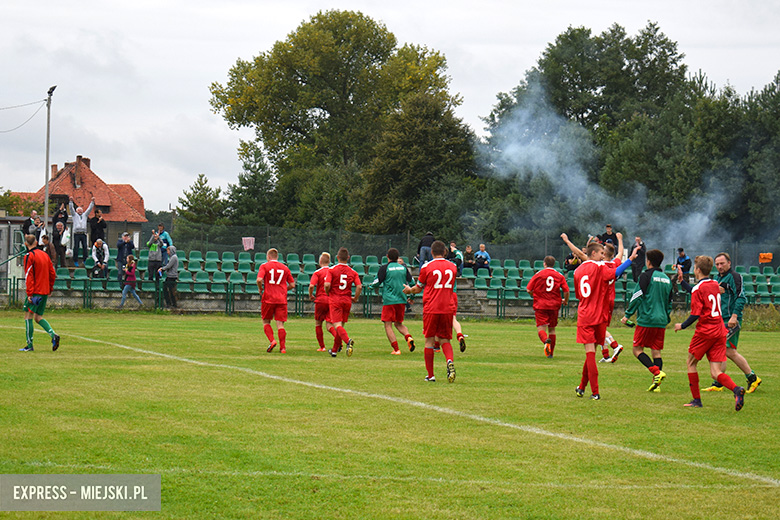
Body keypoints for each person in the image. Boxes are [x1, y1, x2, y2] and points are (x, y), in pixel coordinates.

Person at [674, 255, 746, 410]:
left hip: (706, 332)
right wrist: (682, 282)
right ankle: (736, 390)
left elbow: (696, 313)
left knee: (691, 363)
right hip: (720, 330)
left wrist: (683, 325)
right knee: (715, 372)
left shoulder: (700, 288)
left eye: (694, 268)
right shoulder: (715, 283)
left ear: (698, 270)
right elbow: (697, 290)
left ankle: (696, 400)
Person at [567, 235, 634, 400]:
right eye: (601, 253)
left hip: (585, 314)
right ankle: (582, 387)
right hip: (599, 315)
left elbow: (579, 293)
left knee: (590, 354)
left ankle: (595, 392)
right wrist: (630, 260)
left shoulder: (578, 271)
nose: (603, 256)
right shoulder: (599, 268)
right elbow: (616, 272)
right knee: (592, 353)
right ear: (594, 253)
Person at [701, 252, 761, 393]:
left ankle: (752, 377)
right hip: (721, 320)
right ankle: (719, 382)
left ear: (729, 263)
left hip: (731, 320)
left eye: (722, 263)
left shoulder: (735, 277)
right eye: (717, 264)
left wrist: (734, 316)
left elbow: (741, 297)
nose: (720, 266)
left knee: (728, 350)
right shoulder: (717, 278)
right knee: (721, 349)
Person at [403, 240, 458, 383]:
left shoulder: (427, 267)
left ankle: (431, 375)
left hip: (431, 308)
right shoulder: (453, 267)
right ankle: (449, 361)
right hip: (447, 307)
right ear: (445, 252)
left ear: (431, 252)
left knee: (429, 341)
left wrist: (409, 290)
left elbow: (418, 287)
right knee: (445, 339)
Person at [621, 249, 673, 391]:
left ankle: (656, 373)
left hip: (647, 319)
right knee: (656, 351)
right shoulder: (667, 279)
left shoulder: (646, 276)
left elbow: (637, 296)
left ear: (648, 262)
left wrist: (628, 314)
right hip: (661, 321)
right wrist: (666, 317)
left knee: (637, 350)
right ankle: (657, 385)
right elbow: (670, 302)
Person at [368, 248, 416, 355]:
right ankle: (408, 337)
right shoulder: (403, 268)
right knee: (398, 323)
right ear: (398, 258)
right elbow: (412, 283)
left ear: (387, 257)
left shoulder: (385, 268)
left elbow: (377, 282)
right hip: (401, 300)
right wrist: (411, 297)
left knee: (388, 325)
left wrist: (370, 287)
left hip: (389, 301)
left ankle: (396, 349)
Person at [19, 234, 60, 352]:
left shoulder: (29, 256)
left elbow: (28, 276)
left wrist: (29, 294)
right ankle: (53, 335)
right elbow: (52, 273)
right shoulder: (45, 255)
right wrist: (50, 288)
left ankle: (29, 345)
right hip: (44, 290)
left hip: (35, 291)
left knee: (28, 316)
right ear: (36, 243)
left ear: (26, 244)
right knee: (38, 317)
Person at [526, 255, 569, 358]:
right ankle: (551, 353)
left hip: (541, 305)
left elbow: (528, 289)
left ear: (544, 263)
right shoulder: (559, 275)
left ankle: (546, 341)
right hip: (554, 305)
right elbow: (566, 290)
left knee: (541, 328)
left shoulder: (539, 274)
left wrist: (535, 295)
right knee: (552, 329)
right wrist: (565, 301)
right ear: (554, 264)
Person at [324, 247, 361, 357]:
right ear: (348, 258)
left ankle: (348, 341)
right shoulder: (353, 272)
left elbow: (326, 284)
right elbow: (359, 286)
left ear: (337, 257)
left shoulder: (331, 270)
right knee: (341, 326)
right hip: (347, 300)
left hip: (335, 299)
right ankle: (334, 350)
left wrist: (327, 292)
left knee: (336, 325)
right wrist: (355, 298)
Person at [257, 248, 295, 353]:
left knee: (266, 321)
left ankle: (272, 341)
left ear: (268, 256)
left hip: (268, 298)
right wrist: (283, 290)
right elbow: (292, 284)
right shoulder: (285, 268)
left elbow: (259, 279)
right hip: (281, 299)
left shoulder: (264, 266)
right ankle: (283, 348)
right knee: (280, 324)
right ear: (277, 257)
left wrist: (260, 288)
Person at [308, 252, 332, 352]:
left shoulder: (317, 273)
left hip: (321, 300)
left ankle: (322, 347)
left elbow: (311, 286)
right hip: (331, 300)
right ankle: (339, 342)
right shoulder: (333, 271)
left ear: (320, 261)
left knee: (318, 324)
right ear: (329, 261)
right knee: (330, 324)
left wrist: (310, 295)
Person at [69, 196, 95, 267]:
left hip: (83, 233)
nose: (80, 211)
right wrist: (70, 202)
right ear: (76, 211)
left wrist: (92, 202)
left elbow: (89, 209)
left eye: (81, 210)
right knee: (76, 247)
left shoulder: (85, 215)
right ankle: (75, 260)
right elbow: (71, 209)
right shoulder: (74, 215)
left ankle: (85, 260)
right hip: (76, 233)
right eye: (78, 210)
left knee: (85, 247)